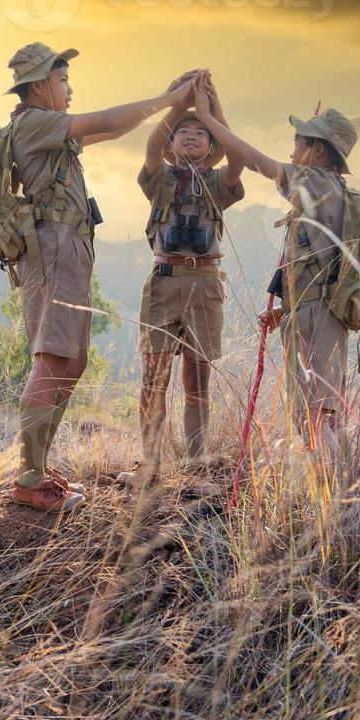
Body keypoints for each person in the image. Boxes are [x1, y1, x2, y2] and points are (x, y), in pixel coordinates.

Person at [4, 42, 198, 513]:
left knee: (72, 361)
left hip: (67, 251)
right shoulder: (33, 123)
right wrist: (170, 100)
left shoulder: (47, 130)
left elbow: (113, 131)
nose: (69, 89)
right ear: (38, 85)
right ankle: (29, 480)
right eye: (62, 80)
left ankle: (38, 467)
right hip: (53, 252)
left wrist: (170, 100)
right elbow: (109, 122)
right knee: (52, 360)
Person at [186, 80, 360, 460]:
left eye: (300, 139)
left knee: (318, 416)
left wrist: (208, 119)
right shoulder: (332, 189)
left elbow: (255, 162)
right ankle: (337, 499)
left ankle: (333, 504)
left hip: (315, 319)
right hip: (317, 315)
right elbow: (321, 265)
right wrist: (286, 311)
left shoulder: (315, 181)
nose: (294, 146)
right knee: (322, 411)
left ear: (317, 150)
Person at [117, 72, 245, 492]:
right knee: (154, 375)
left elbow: (238, 158)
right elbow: (151, 145)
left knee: (197, 376)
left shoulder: (217, 182)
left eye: (200, 133)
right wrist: (177, 102)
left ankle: (194, 463)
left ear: (212, 145)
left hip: (205, 282)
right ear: (172, 142)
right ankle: (149, 463)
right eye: (182, 133)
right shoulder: (161, 179)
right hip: (164, 279)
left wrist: (210, 107)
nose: (190, 136)